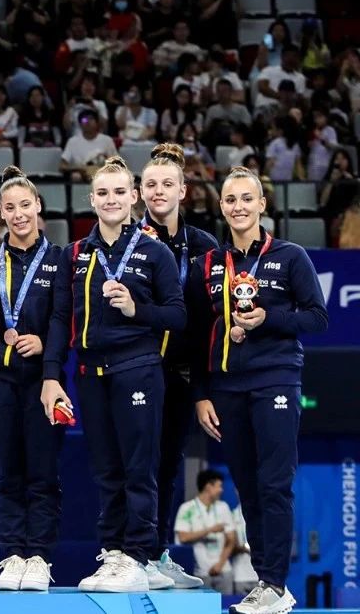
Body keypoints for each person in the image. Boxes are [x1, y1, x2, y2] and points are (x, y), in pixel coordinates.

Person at [42, 156, 186, 592]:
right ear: (91, 199)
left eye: (120, 192)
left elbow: (177, 316)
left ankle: (138, 556)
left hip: (137, 369)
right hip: (90, 373)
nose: (111, 199)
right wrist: (52, 375)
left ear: (133, 197)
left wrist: (136, 309)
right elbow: (60, 318)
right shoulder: (75, 254)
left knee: (139, 468)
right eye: (103, 193)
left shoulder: (154, 252)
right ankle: (114, 553)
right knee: (107, 470)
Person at [191, 167, 327, 614]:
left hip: (275, 380)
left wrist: (269, 319)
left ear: (262, 204)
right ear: (221, 206)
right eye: (231, 200)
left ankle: (274, 584)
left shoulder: (290, 257)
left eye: (247, 198)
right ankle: (267, 583)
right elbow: (197, 334)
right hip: (227, 388)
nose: (239, 207)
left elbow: (317, 318)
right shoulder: (209, 264)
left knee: (274, 484)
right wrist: (201, 394)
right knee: (248, 488)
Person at [0, 167, 66, 592]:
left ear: (38, 206)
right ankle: (13, 555)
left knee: (42, 472)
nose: (19, 214)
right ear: (0, 214)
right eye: (10, 207)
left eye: (26, 205)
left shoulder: (59, 260)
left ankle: (39, 556)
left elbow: (66, 319)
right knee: (6, 473)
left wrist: (44, 345)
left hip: (43, 381)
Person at [138, 143, 219, 590]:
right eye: (151, 184)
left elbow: (208, 325)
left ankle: (155, 554)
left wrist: (203, 388)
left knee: (167, 465)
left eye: (167, 184)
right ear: (140, 191)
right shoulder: (127, 241)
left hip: (181, 374)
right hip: (135, 369)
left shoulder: (204, 247)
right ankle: (129, 554)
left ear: (183, 190)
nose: (158, 192)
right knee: (135, 464)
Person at [174, 470, 237, 593]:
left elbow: (231, 539)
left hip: (224, 571)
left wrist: (220, 564)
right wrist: (210, 530)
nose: (221, 490)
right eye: (219, 486)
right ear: (208, 486)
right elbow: (183, 537)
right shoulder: (187, 508)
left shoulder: (223, 507)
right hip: (200, 573)